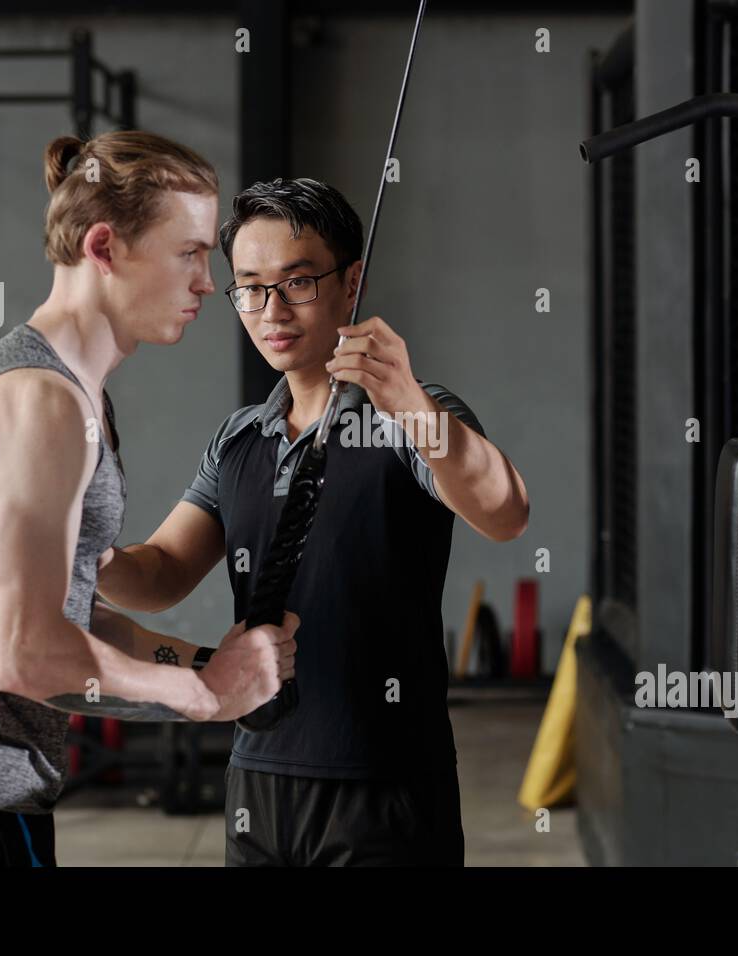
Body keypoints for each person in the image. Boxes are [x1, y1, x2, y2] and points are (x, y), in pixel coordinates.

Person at [0, 132, 298, 867]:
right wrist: (199, 696)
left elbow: (66, 618)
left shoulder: (74, 394)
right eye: (188, 251)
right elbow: (25, 654)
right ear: (104, 247)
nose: (207, 281)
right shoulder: (43, 403)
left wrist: (211, 667)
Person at [97, 177, 529, 866]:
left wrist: (410, 403)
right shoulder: (237, 439)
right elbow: (164, 573)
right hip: (258, 777)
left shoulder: (413, 417)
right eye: (250, 286)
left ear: (350, 283)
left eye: (297, 282)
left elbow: (505, 511)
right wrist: (95, 556)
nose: (272, 310)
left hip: (384, 787)